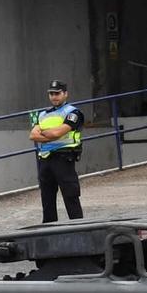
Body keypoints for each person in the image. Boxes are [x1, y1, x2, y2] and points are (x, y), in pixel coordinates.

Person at [30, 78, 85, 223]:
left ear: (65, 94)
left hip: (63, 158)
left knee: (70, 196)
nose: (54, 96)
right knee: (47, 198)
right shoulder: (42, 114)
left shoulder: (73, 112)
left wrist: (45, 134)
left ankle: (78, 227)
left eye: (57, 93)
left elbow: (57, 134)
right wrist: (50, 134)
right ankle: (49, 229)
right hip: (45, 159)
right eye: (51, 94)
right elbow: (32, 135)